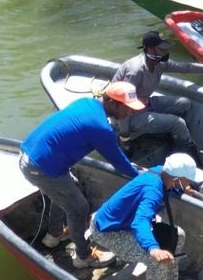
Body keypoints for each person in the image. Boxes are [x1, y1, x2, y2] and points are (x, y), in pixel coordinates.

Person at [20, 82, 146, 268]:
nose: (130, 113)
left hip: (32, 155)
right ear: (112, 103)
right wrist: (141, 176)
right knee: (79, 208)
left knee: (65, 193)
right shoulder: (101, 127)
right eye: (127, 108)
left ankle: (53, 235)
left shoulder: (86, 102)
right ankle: (84, 257)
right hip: (41, 168)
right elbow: (118, 162)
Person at [90, 151, 203, 280]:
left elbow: (171, 184)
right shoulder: (153, 190)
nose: (190, 183)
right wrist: (153, 248)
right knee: (156, 260)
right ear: (177, 178)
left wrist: (182, 188)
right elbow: (140, 221)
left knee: (177, 235)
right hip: (108, 231)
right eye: (188, 180)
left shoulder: (162, 173)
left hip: (125, 224)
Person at [109, 30, 203, 160]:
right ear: (150, 49)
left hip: (145, 104)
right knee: (178, 123)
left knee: (185, 104)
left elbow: (186, 68)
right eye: (162, 49)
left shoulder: (160, 63)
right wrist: (124, 137)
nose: (165, 53)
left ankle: (177, 141)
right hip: (127, 116)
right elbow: (122, 104)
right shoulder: (135, 71)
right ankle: (189, 156)